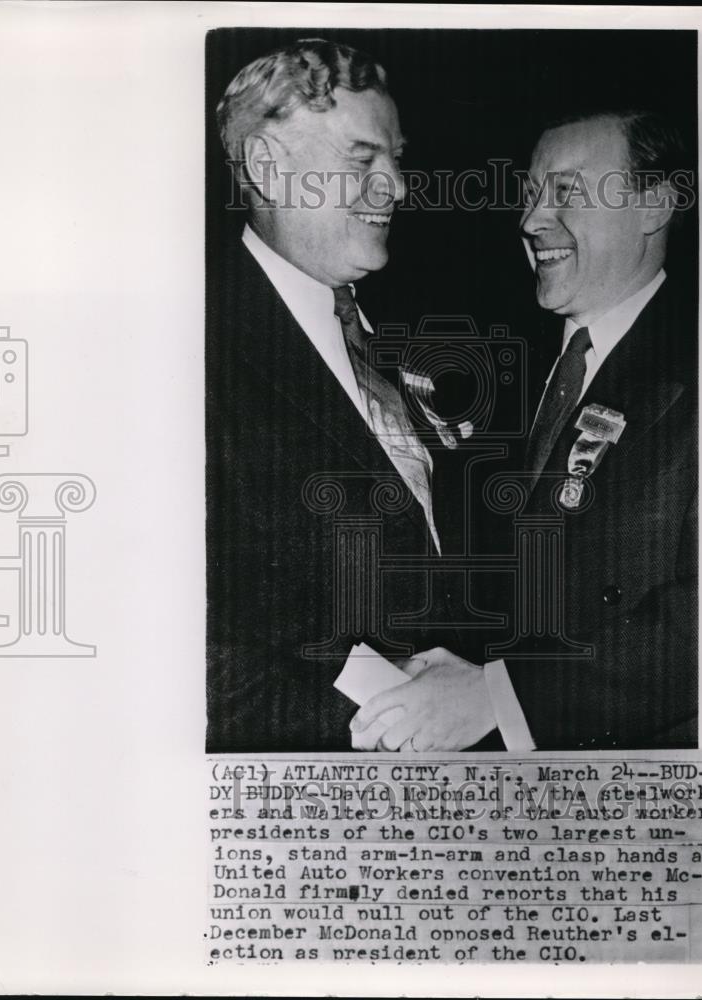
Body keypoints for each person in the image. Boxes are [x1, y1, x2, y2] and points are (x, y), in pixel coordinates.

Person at [354, 110, 698, 750]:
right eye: (530, 194)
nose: (531, 220)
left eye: (566, 191)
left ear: (655, 204)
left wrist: (502, 695)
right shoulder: (500, 370)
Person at [206, 39, 461, 751]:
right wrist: (399, 723)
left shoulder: (404, 338)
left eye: (397, 159)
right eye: (362, 161)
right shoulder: (194, 351)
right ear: (267, 165)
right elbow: (193, 645)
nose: (398, 188)